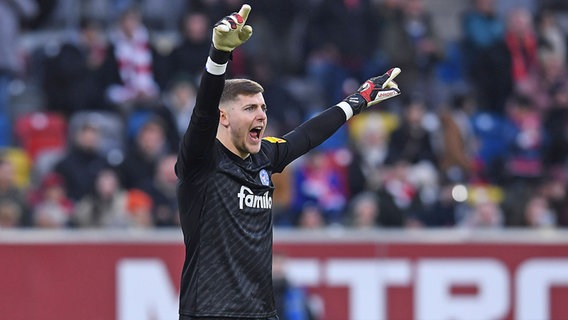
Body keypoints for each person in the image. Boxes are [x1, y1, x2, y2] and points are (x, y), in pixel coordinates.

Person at [175, 4, 401, 319]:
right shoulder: (202, 161)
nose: (262, 115)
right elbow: (202, 116)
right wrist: (218, 56)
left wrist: (357, 101)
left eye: (264, 108)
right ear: (223, 117)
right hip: (211, 312)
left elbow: (306, 136)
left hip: (262, 312)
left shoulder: (264, 156)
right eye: (250, 108)